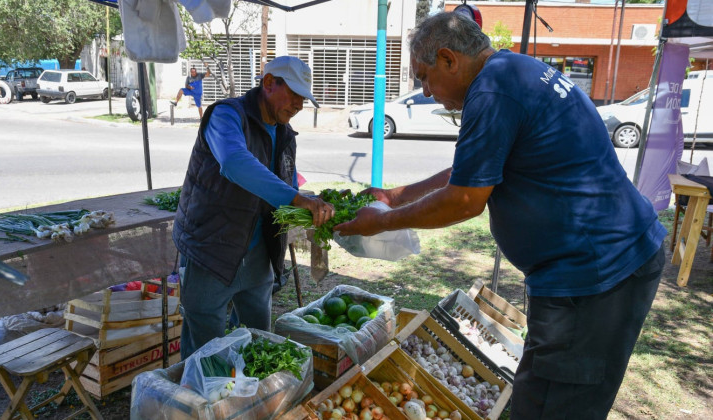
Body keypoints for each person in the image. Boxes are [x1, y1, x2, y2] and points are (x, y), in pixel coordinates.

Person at [334, 12, 666, 419]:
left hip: (596, 276)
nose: (425, 91)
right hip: (595, 267)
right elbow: (472, 170)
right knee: (539, 396)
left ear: (448, 59)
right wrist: (395, 196)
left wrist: (382, 221)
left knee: (553, 406)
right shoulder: (514, 69)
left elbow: (464, 200)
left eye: (424, 77)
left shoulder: (493, 91)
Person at [173, 56, 334, 359]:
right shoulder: (226, 115)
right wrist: (297, 200)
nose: (299, 104)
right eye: (294, 94)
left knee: (257, 340)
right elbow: (235, 163)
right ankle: (195, 403)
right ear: (269, 83)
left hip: (260, 254)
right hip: (212, 250)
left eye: (304, 98)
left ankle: (248, 402)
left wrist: (314, 215)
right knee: (204, 353)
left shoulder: (285, 133)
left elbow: (281, 187)